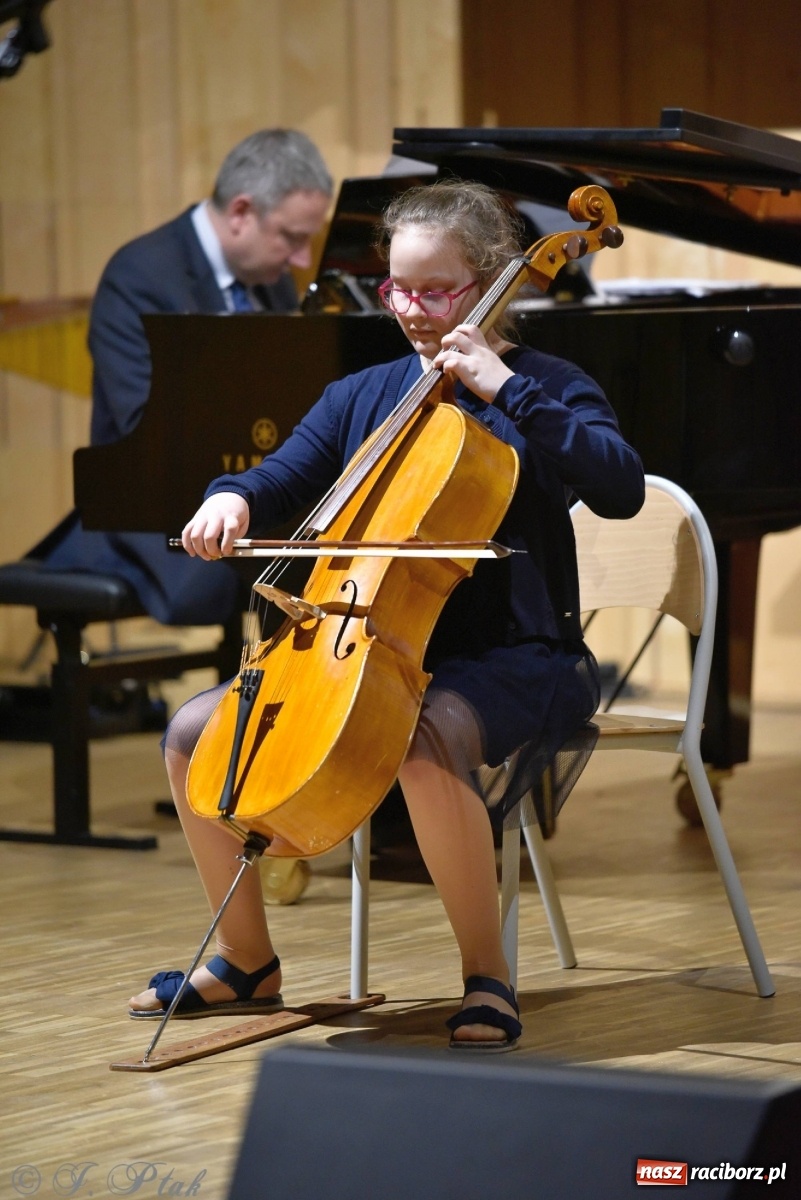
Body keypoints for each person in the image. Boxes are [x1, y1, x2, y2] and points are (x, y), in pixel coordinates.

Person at [128, 180, 645, 1051]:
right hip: (362, 644)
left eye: (435, 290)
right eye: (396, 288)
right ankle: (245, 961)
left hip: (517, 655)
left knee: (422, 735)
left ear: (485, 282)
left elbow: (621, 485)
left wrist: (504, 386)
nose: (410, 309)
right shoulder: (363, 395)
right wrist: (229, 502)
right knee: (189, 731)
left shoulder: (545, 384)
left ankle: (486, 975)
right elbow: (278, 478)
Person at [44, 127, 333, 627]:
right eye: (292, 238)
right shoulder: (140, 275)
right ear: (242, 212)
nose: (302, 259)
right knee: (276, 574)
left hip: (247, 485)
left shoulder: (272, 283)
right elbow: (145, 418)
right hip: (155, 498)